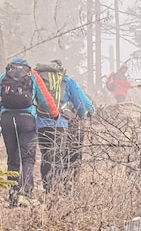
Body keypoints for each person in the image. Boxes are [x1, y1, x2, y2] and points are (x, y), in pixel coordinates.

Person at [0, 58, 58, 207]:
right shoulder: (32, 75)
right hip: (27, 120)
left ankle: (13, 194)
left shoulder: (4, 77)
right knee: (28, 159)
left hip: (7, 120)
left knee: (12, 160)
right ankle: (25, 194)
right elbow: (45, 97)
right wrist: (55, 114)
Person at [34, 60, 95, 192]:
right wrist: (82, 115)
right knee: (58, 156)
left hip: (41, 124)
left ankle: (48, 188)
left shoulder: (38, 80)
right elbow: (79, 101)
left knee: (46, 155)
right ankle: (58, 188)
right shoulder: (66, 81)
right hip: (60, 123)